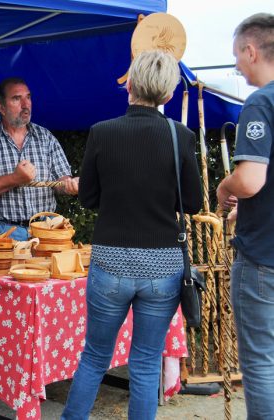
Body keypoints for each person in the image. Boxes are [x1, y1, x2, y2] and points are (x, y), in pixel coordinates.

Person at [61, 50, 202, 419]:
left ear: (130, 87)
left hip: (110, 262)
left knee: (94, 357)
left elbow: (89, 198)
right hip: (162, 267)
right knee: (144, 363)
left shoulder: (102, 132)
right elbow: (192, 202)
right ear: (169, 94)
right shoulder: (180, 136)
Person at [216, 13, 274, 419]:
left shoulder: (261, 101)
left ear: (251, 51)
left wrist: (225, 188)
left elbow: (250, 180)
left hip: (264, 259)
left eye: (238, 55)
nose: (237, 65)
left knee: (261, 363)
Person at [0, 77, 78, 241]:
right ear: (1, 107)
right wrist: (15, 178)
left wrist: (69, 185)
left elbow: (60, 181)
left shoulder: (45, 137)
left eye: (28, 97)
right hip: (2, 232)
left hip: (45, 229)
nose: (26, 105)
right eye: (16, 99)